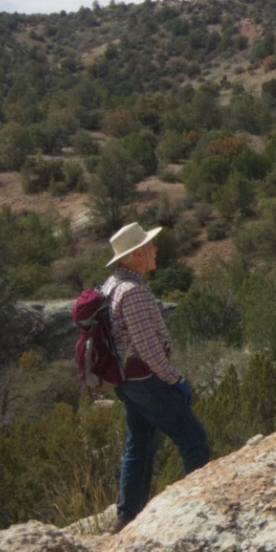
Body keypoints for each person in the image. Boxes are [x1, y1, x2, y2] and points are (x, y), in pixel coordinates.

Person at [101, 222, 211, 527]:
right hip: (147, 380)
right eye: (150, 246)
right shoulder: (133, 293)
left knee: (140, 445)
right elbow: (148, 348)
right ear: (136, 254)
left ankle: (126, 517)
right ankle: (195, 515)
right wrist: (175, 379)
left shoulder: (110, 286)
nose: (156, 249)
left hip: (127, 382)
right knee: (194, 442)